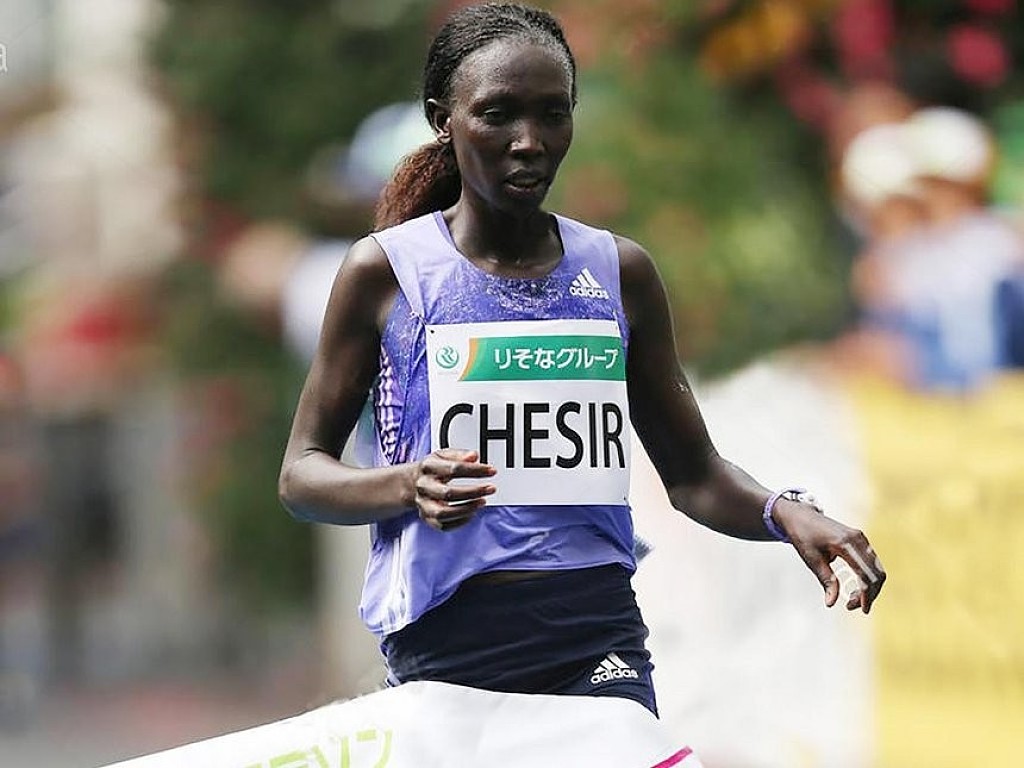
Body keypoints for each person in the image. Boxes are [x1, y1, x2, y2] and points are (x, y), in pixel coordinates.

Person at [278, 1, 885, 724]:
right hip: (448, 647)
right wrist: (408, 484)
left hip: (599, 637)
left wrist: (785, 513)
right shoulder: (386, 273)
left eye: (553, 114)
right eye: (498, 115)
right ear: (444, 119)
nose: (529, 142)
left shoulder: (619, 271)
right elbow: (302, 475)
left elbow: (694, 477)